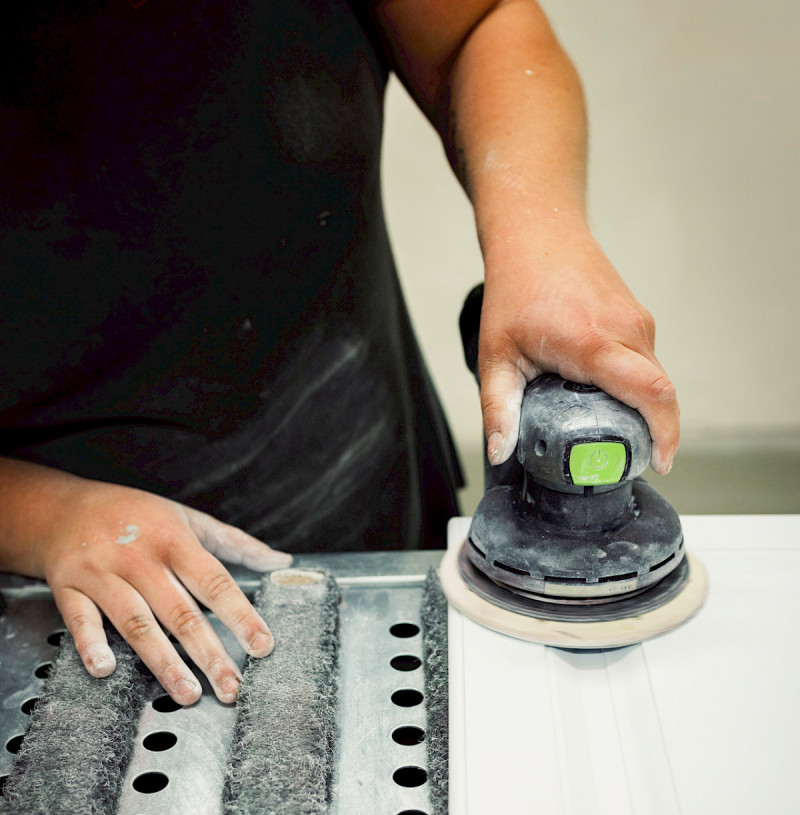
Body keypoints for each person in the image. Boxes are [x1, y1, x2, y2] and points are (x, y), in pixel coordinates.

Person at [0, 0, 678, 707]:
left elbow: (477, 26)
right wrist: (43, 519)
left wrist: (544, 240)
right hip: (66, 580)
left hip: (366, 463)